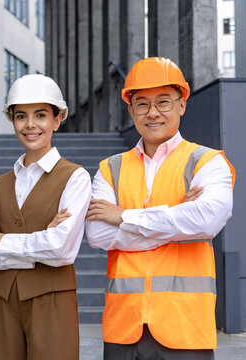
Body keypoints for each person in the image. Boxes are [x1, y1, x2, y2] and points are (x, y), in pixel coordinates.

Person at [85, 57, 235, 359]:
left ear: (181, 104)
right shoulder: (110, 169)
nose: (152, 112)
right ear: (130, 110)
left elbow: (207, 221)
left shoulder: (206, 162)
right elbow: (98, 234)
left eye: (163, 102)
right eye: (142, 104)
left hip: (185, 328)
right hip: (123, 328)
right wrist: (178, 221)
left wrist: (123, 216)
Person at [0, 74, 92, 360]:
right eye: (21, 116)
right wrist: (39, 244)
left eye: (41, 115)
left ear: (57, 119)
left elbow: (61, 250)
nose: (30, 125)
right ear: (12, 121)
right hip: (1, 300)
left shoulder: (75, 177)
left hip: (53, 299)